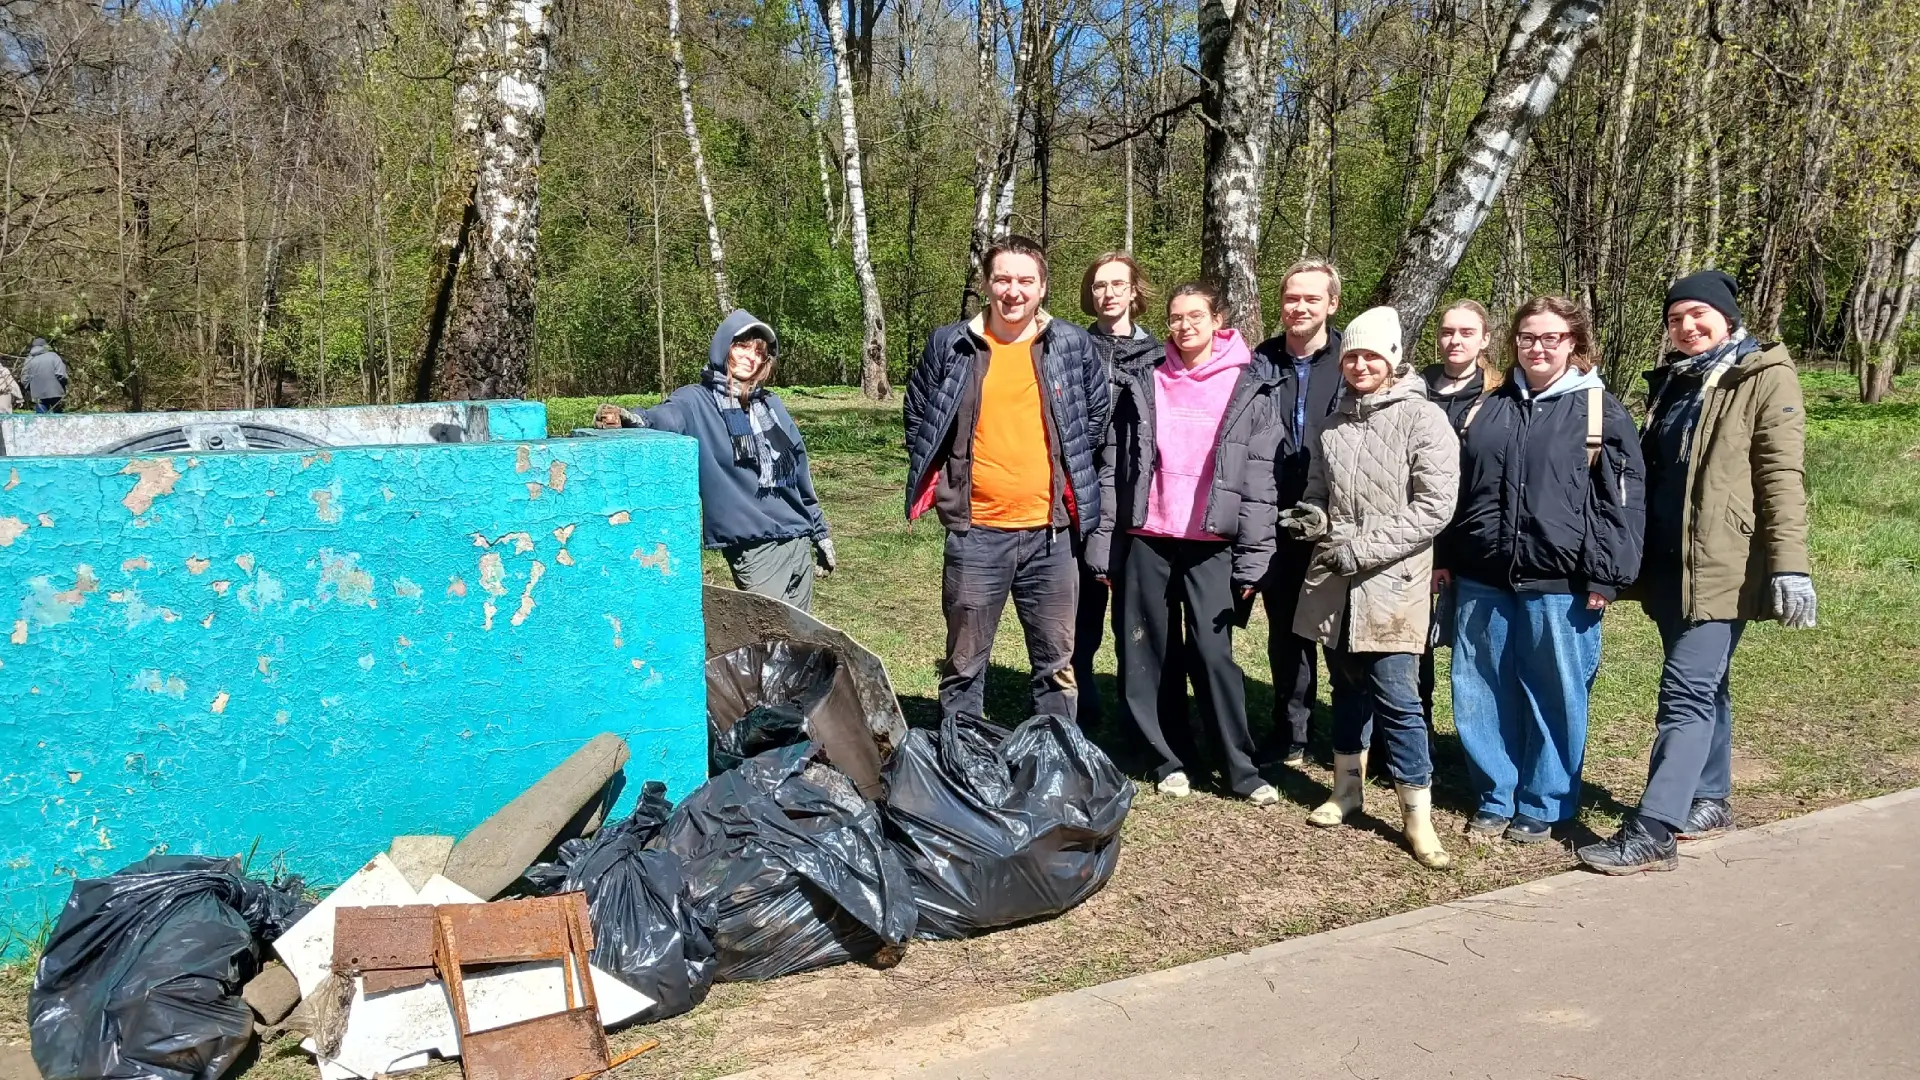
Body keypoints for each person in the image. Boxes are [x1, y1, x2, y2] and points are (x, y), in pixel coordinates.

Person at [1578, 270, 1815, 874]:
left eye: (1698, 315)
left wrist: (1791, 567)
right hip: (1668, 565)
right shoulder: (1676, 383)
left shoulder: (1764, 376)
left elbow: (1782, 478)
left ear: (1728, 317)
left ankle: (1655, 829)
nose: (1686, 327)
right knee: (1706, 682)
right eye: (1676, 318)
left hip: (1722, 566)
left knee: (1684, 692)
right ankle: (1709, 797)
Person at [1439, 296, 1646, 845]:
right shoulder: (1489, 405)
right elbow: (1459, 491)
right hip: (1482, 576)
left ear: (1573, 343)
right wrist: (1448, 557)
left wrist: (1606, 576)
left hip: (1562, 581)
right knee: (1480, 689)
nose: (1537, 347)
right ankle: (1495, 794)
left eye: (1550, 337)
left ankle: (1544, 801)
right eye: (1528, 337)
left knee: (1555, 693)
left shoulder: (1599, 410)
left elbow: (1622, 501)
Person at [1088, 280, 1284, 804]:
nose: (1185, 326)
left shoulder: (1250, 385)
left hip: (1212, 540)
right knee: (1147, 650)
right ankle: (1168, 757)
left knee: (1212, 651)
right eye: (1176, 317)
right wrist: (1104, 542)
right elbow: (1115, 467)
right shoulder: (1145, 378)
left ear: (1218, 319)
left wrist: (1255, 556)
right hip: (1148, 534)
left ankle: (1240, 768)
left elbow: (1262, 482)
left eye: (1196, 315)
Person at [1280, 305, 1458, 867]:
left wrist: (1362, 548)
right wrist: (1311, 516)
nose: (1359, 364)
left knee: (1399, 699)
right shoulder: (1332, 425)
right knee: (1347, 688)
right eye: (1351, 355)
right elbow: (1320, 490)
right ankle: (1346, 791)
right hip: (1337, 580)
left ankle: (1417, 818)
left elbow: (1435, 507)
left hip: (1393, 580)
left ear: (1393, 359)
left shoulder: (1423, 419)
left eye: (1371, 356)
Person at [905, 234, 1108, 723]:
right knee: (964, 663)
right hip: (977, 533)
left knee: (1057, 664)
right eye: (1002, 279)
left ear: (1042, 288)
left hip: (1051, 535)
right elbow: (919, 416)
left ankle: (1054, 763)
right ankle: (964, 760)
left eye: (1025, 280)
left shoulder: (1072, 344)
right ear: (987, 285)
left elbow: (1093, 418)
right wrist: (951, 480)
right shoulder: (951, 344)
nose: (1013, 291)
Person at [594, 310, 835, 612]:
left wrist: (820, 531)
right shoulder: (697, 401)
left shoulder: (769, 404)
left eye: (759, 352)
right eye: (742, 346)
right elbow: (668, 417)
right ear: (724, 346)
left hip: (798, 538)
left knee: (799, 642)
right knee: (769, 639)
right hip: (756, 546)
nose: (751, 357)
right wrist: (635, 418)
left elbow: (798, 471)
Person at [1252, 259, 1346, 767]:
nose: (1300, 307)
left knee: (1339, 635)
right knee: (1286, 634)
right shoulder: (1258, 361)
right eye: (1292, 298)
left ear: (1331, 304)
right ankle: (1291, 734)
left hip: (1337, 517)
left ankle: (1348, 739)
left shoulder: (1353, 361)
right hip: (1274, 516)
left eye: (1312, 298)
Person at [1075, 253, 1167, 729]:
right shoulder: (1072, 347)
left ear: (1135, 293)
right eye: (1098, 286)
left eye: (1117, 285)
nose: (1107, 294)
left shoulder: (1160, 356)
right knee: (1082, 602)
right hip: (1080, 492)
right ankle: (1079, 693)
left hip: (1139, 495)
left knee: (1132, 611)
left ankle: (1137, 711)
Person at [1415, 300, 1503, 728]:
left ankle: (1480, 733)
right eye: (1448, 332)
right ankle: (1417, 726)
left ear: (1485, 338)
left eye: (1467, 333)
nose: (1456, 340)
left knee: (1473, 643)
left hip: (1470, 533)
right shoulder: (1415, 385)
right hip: (1415, 531)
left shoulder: (1498, 396)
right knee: (1414, 640)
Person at [23, 338, 67, 413]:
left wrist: (32, 389)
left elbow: (24, 379)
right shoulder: (54, 356)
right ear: (44, 346)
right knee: (59, 418)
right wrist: (63, 385)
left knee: (41, 420)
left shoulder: (29, 360)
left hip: (38, 394)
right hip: (56, 392)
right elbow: (61, 374)